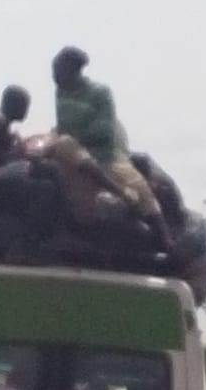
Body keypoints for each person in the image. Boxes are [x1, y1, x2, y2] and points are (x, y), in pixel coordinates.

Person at [52, 47, 174, 251]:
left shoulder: (100, 93)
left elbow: (104, 130)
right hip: (73, 159)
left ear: (74, 70)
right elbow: (63, 128)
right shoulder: (60, 93)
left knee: (142, 191)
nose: (54, 75)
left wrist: (77, 139)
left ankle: (165, 239)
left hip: (104, 156)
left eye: (58, 69)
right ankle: (118, 195)